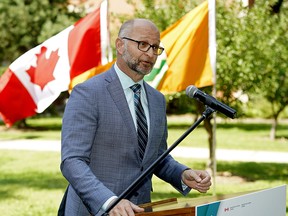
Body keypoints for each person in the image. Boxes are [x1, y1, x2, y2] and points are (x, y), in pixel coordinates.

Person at [59, 18, 211, 216]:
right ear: (120, 45)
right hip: (92, 210)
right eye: (143, 44)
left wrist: (182, 174)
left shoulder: (157, 100)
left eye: (155, 47)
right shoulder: (88, 93)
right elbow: (72, 161)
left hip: (141, 209)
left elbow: (156, 157)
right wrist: (109, 201)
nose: (150, 54)